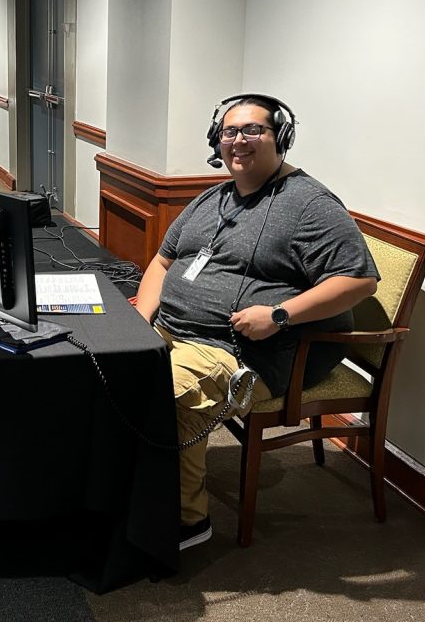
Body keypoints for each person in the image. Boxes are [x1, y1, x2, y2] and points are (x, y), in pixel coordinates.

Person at [134, 94, 379, 551]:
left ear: (280, 137)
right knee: (108, 367)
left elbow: (359, 280)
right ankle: (130, 490)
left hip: (245, 352)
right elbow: (163, 263)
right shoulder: (213, 198)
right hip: (170, 328)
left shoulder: (311, 205)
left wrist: (279, 315)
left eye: (253, 130)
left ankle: (187, 520)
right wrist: (140, 320)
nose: (239, 141)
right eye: (230, 132)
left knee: (166, 394)